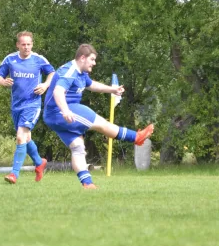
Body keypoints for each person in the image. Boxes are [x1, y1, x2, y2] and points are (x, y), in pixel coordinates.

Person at [43, 44, 154, 189]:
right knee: (101, 123)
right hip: (61, 111)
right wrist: (65, 111)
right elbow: (58, 91)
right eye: (92, 59)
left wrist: (112, 89)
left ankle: (87, 184)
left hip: (54, 116)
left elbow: (91, 85)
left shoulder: (81, 72)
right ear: (82, 58)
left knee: (78, 148)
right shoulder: (70, 71)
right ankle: (136, 137)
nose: (94, 63)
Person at [0, 31, 55, 184]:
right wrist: (3, 82)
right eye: (23, 44)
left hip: (32, 104)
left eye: (29, 44)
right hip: (16, 106)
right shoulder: (10, 59)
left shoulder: (39, 60)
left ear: (32, 44)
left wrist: (45, 85)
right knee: (26, 138)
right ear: (18, 45)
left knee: (20, 136)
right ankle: (39, 162)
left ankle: (14, 174)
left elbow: (53, 74)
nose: (26, 47)